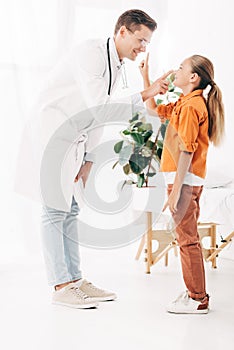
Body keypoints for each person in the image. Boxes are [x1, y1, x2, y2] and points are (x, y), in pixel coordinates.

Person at [32, 9, 172, 309]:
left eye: (147, 42)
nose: (143, 48)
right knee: (54, 210)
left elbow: (96, 117)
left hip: (75, 137)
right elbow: (99, 108)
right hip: (54, 131)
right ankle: (60, 285)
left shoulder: (117, 64)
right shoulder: (90, 53)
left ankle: (75, 280)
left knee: (69, 210)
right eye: (140, 39)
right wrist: (147, 91)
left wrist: (90, 157)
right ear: (122, 31)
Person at [139, 53, 225, 313]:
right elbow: (153, 110)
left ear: (193, 77)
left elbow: (187, 152)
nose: (175, 71)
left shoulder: (190, 107)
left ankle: (198, 299)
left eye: (180, 68)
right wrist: (146, 76)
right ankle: (194, 292)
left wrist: (176, 192)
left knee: (187, 241)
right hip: (183, 181)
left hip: (184, 182)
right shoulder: (185, 102)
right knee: (186, 238)